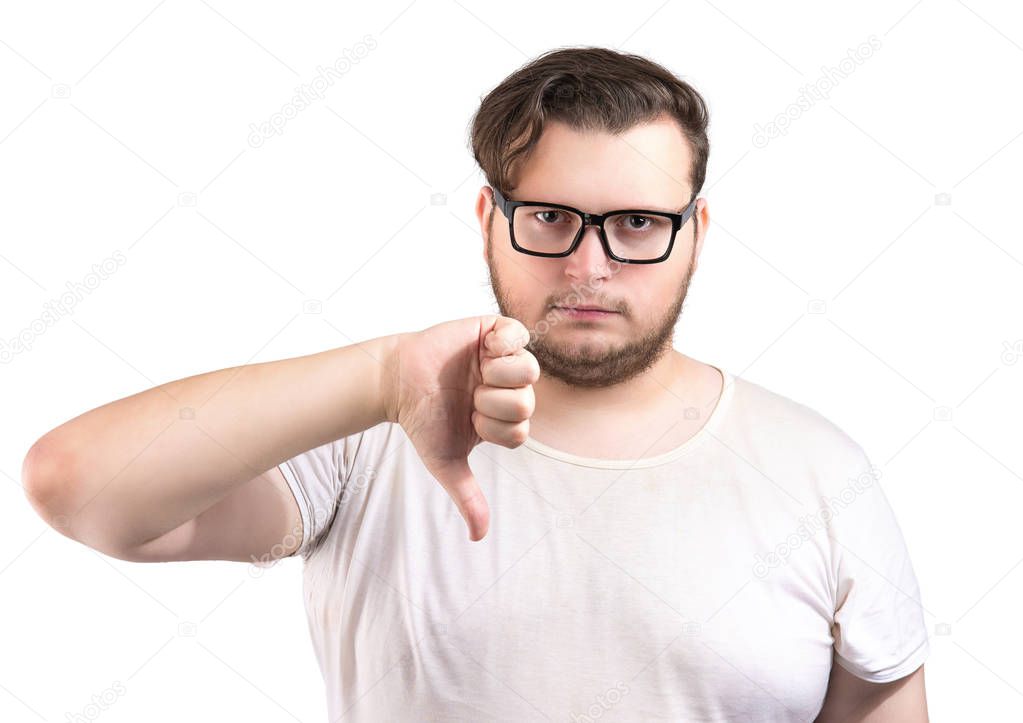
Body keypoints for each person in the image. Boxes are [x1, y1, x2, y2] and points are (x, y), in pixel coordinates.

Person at [22, 46, 930, 721]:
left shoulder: (818, 471)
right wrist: (377, 376)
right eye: (549, 216)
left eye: (639, 223)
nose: (590, 264)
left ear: (696, 231)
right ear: (488, 217)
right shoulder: (366, 433)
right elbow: (78, 486)